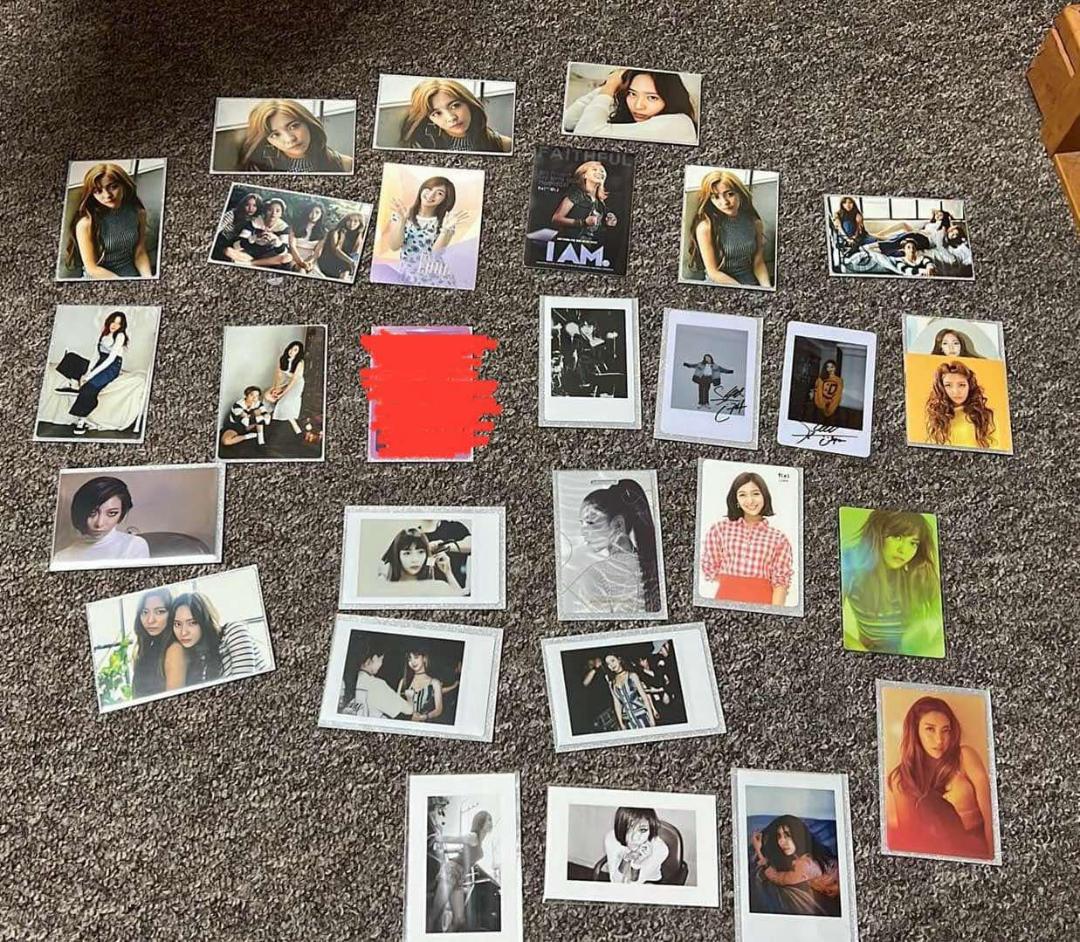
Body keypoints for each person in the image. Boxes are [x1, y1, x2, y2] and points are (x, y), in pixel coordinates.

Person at [886, 696, 995, 859]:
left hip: (977, 848)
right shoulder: (902, 778)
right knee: (928, 802)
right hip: (939, 853)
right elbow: (908, 838)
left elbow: (991, 816)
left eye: (946, 731)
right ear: (915, 731)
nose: (939, 740)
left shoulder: (964, 756)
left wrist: (992, 859)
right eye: (930, 729)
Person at [841, 510, 944, 656]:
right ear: (877, 534)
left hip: (917, 648)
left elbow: (942, 617)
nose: (903, 550)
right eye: (897, 537)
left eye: (913, 543)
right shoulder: (852, 564)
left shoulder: (919, 569)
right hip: (875, 649)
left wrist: (929, 631)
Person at [561, 479, 662, 615]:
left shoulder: (596, 576)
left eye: (590, 523)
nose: (583, 531)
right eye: (582, 524)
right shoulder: (655, 565)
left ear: (618, 524)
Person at [700, 471, 793, 606]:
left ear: (764, 496)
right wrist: (732, 583)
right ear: (736, 500)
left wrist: (775, 613)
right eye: (742, 495)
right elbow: (709, 566)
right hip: (726, 600)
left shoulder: (778, 538)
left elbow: (781, 582)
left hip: (763, 603)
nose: (750, 501)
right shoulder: (720, 529)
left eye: (755, 494)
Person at [64, 162, 153, 279]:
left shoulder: (138, 212)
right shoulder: (86, 223)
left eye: (113, 187)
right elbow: (92, 268)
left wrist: (148, 278)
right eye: (98, 191)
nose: (107, 195)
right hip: (99, 280)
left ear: (124, 185)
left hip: (130, 275)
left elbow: (140, 252)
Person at [563, 68, 698, 144]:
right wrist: (610, 87)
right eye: (632, 94)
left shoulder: (679, 123)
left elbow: (585, 135)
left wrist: (609, 87)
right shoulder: (639, 124)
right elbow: (568, 122)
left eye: (652, 97)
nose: (638, 106)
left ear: (671, 99)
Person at [685, 170, 771, 288]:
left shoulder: (754, 222)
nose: (725, 202)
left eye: (730, 194)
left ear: (740, 193)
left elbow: (758, 262)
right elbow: (713, 272)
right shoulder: (706, 227)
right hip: (718, 284)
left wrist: (767, 287)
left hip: (749, 282)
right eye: (716, 197)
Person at [163, 592, 267, 689]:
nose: (183, 632)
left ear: (205, 621)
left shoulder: (233, 632)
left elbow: (244, 685)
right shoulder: (195, 656)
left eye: (192, 623)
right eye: (178, 624)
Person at [385, 176, 470, 288]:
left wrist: (445, 230)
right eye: (429, 189)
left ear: (445, 200)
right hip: (408, 277)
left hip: (437, 280)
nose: (431, 195)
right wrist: (402, 221)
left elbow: (435, 255)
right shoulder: (402, 213)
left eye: (439, 193)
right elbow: (394, 246)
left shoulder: (446, 222)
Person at [750, 814, 841, 916]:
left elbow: (778, 878)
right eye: (779, 836)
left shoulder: (805, 865)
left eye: (787, 835)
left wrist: (758, 851)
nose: (781, 841)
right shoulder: (811, 851)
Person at [399, 78, 512, 153]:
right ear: (429, 119)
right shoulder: (424, 148)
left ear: (469, 104)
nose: (451, 118)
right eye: (437, 113)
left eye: (455, 105)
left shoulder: (504, 145)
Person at [239, 99, 353, 172]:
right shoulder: (258, 169)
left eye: (293, 126)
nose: (290, 139)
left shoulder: (345, 165)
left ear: (308, 123)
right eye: (275, 134)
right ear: (267, 140)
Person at [54, 476, 149, 564]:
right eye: (92, 513)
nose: (99, 523)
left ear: (122, 513)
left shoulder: (134, 546)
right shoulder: (61, 557)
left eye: (112, 513)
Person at [428, 809, 494, 932]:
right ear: (481, 821)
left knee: (459, 920)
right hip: (452, 870)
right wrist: (437, 838)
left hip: (459, 877)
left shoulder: (479, 841)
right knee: (436, 912)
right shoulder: (473, 836)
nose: (491, 822)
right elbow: (454, 839)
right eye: (489, 819)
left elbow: (464, 853)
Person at [66, 311, 129, 435]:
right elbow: (96, 355)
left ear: (122, 326)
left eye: (118, 323)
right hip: (101, 362)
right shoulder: (103, 334)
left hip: (112, 366)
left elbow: (110, 359)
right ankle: (75, 384)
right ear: (109, 321)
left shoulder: (120, 336)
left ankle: (81, 420)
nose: (114, 325)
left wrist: (90, 376)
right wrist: (88, 371)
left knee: (89, 388)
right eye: (113, 321)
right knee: (70, 358)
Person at [338, 635, 420, 720]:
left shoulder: (342, 682)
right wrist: (410, 697)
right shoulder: (377, 685)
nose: (381, 664)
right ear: (374, 658)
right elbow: (408, 711)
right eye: (381, 659)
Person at [924, 361, 997, 449]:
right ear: (941, 388)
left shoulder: (985, 415)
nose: (956, 391)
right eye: (948, 385)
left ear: (969, 386)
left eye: (961, 385)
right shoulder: (936, 416)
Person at [227, 198, 309, 271]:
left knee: (288, 257)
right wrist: (255, 237)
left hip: (270, 257)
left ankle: (252, 264)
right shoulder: (254, 222)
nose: (273, 213)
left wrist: (276, 240)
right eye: (270, 210)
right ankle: (254, 263)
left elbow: (283, 252)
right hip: (251, 253)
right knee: (228, 251)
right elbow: (236, 245)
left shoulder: (283, 227)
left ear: (281, 214)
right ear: (265, 211)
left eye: (277, 211)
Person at [379, 528, 465, 596]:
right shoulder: (385, 587)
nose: (415, 559)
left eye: (420, 552)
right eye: (407, 553)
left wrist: (448, 573)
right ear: (397, 555)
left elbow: (460, 601)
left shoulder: (438, 586)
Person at [551, 161, 618, 242]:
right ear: (584, 175)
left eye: (602, 171)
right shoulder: (576, 194)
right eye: (594, 169)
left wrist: (608, 221)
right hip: (567, 244)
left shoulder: (600, 202)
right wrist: (583, 222)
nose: (600, 172)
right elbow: (556, 219)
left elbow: (596, 226)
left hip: (587, 246)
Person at [604, 807, 668, 884]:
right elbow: (615, 882)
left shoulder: (660, 849)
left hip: (648, 882)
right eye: (628, 829)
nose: (635, 837)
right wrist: (626, 859)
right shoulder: (612, 838)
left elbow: (632, 886)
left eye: (642, 830)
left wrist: (637, 863)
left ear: (651, 828)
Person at [130, 589, 174, 699]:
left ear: (171, 614)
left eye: (159, 612)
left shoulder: (174, 649)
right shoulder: (145, 648)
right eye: (145, 612)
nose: (150, 620)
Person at [604, 653, 657, 730]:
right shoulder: (612, 683)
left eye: (613, 661)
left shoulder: (632, 676)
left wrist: (652, 718)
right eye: (608, 664)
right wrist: (621, 723)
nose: (611, 665)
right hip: (628, 720)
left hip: (641, 715)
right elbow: (617, 704)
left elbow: (644, 697)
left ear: (619, 660)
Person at [416, 519, 472, 591]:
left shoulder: (455, 527)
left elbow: (474, 545)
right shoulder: (412, 534)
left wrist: (445, 547)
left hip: (454, 589)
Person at [397, 648, 444, 723]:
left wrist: (424, 717)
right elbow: (396, 705)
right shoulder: (403, 682)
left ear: (424, 658)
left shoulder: (434, 683)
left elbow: (438, 710)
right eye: (409, 659)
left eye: (416, 657)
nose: (413, 662)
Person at [212, 192, 263, 260]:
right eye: (247, 205)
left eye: (254, 206)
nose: (250, 208)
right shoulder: (232, 214)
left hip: (240, 244)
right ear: (243, 205)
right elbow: (217, 229)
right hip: (223, 241)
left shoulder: (256, 220)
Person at [315, 212, 365, 280]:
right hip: (328, 259)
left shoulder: (358, 236)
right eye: (349, 220)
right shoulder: (335, 231)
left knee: (350, 264)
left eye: (355, 221)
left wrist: (354, 262)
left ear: (360, 224)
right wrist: (351, 262)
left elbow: (355, 254)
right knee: (347, 264)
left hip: (344, 262)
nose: (352, 223)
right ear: (345, 221)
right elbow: (335, 250)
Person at [269, 342, 305, 436]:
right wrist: (276, 388)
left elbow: (294, 380)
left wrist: (282, 393)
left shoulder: (300, 362)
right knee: (277, 402)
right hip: (286, 382)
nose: (292, 351)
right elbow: (278, 375)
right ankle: (296, 430)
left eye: (295, 350)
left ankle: (296, 430)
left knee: (285, 403)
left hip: (296, 384)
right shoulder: (283, 358)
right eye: (291, 348)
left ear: (299, 352)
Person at [291, 203, 327, 269]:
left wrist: (309, 262)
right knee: (299, 269)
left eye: (317, 212)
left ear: (321, 215)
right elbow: (292, 246)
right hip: (294, 255)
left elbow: (318, 252)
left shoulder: (323, 231)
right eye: (311, 211)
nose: (314, 215)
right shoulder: (296, 225)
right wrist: (300, 261)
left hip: (310, 258)